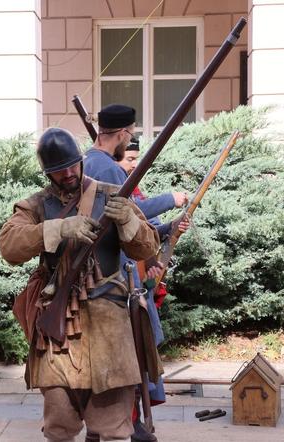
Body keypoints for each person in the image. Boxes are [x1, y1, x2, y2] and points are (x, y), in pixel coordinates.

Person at [0, 127, 160, 442]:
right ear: (47, 173)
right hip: (58, 338)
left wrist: (128, 221)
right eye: (60, 171)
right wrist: (58, 228)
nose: (69, 173)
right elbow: (9, 245)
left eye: (73, 165)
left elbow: (148, 248)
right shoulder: (36, 206)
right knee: (59, 427)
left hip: (109, 332)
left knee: (113, 429)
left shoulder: (114, 194)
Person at [83, 104, 187, 442]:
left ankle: (121, 425)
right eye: (130, 134)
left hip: (103, 277)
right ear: (124, 133)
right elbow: (133, 213)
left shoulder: (90, 160)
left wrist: (166, 229)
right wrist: (170, 198)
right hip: (115, 282)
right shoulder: (108, 169)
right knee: (132, 357)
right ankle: (130, 425)